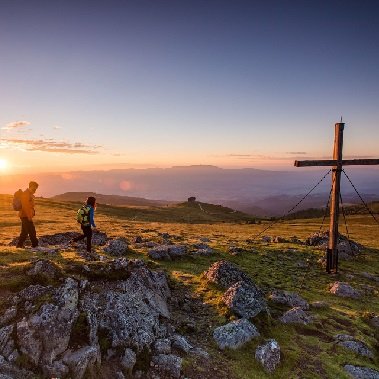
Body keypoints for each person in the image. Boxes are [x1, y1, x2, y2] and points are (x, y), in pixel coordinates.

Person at [16, 181, 39, 248]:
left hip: (25, 215)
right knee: (32, 231)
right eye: (34, 188)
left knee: (25, 232)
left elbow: (30, 205)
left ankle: (19, 245)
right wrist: (29, 217)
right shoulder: (26, 194)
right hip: (25, 216)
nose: (35, 190)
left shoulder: (29, 194)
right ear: (30, 186)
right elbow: (25, 207)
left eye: (36, 189)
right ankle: (35, 245)